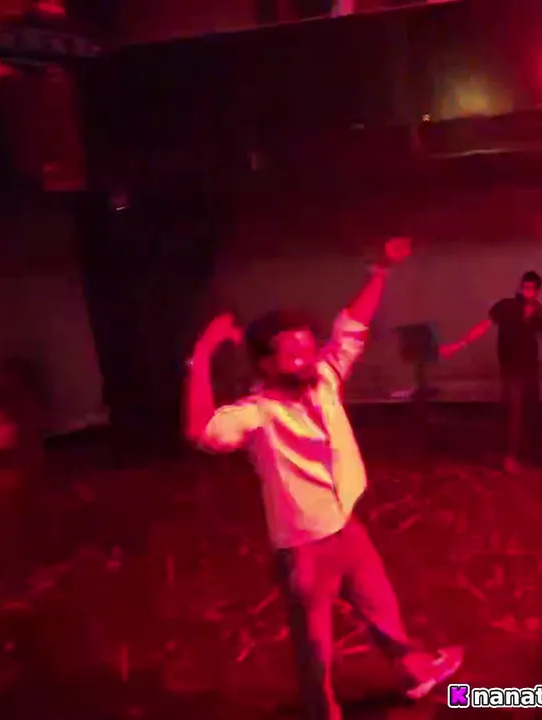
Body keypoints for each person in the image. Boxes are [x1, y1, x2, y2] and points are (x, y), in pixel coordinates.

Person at [184, 237, 462, 719]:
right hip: (304, 549)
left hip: (346, 526)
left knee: (383, 609)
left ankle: (413, 673)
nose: (307, 359)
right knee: (315, 651)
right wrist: (203, 354)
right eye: (293, 354)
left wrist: (381, 270)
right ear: (266, 363)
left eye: (309, 349)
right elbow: (200, 431)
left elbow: (351, 326)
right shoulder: (258, 413)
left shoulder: (325, 379)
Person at [440, 271, 542, 474]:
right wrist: (458, 344)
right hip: (511, 368)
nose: (526, 291)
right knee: (514, 413)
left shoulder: (540, 313)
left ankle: (536, 454)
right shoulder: (507, 307)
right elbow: (484, 326)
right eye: (524, 287)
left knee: (534, 412)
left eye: (531, 288)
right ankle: (509, 458)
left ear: (537, 291)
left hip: (531, 368)